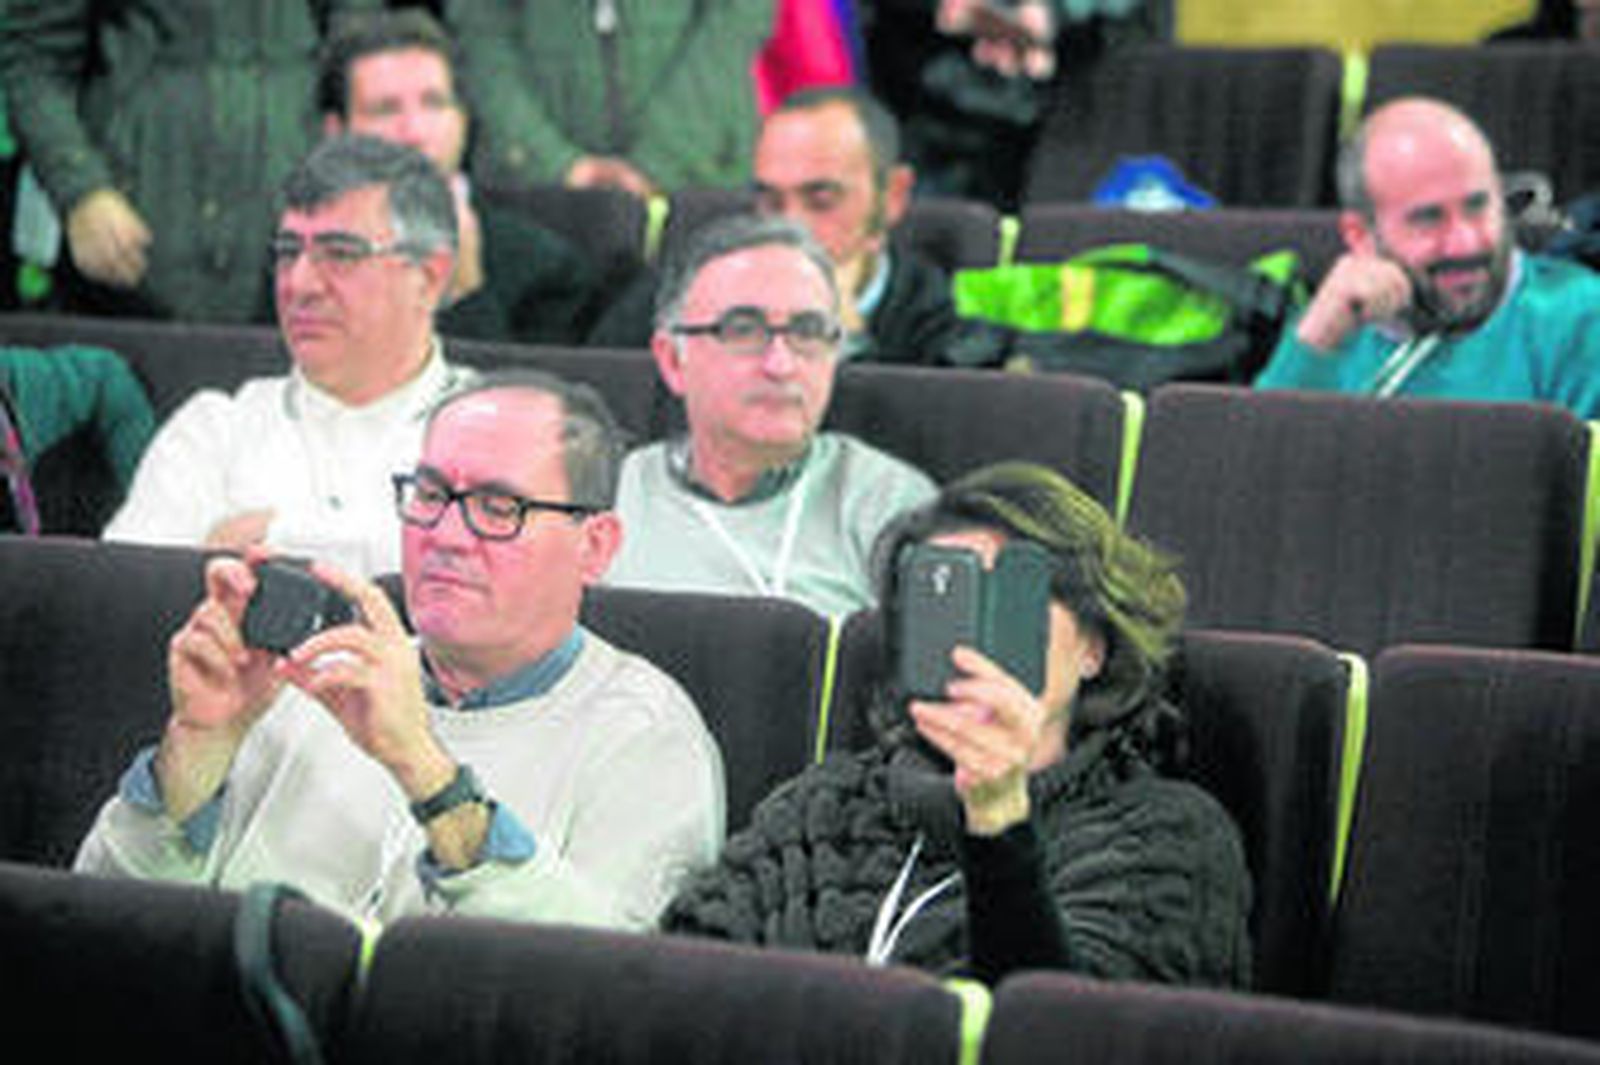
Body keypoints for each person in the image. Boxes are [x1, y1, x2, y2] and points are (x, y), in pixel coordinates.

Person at [76, 370, 726, 929]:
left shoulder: (647, 736)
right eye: (431, 494)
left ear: (596, 546)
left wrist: (423, 768)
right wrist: (197, 747)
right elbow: (102, 930)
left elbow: (603, 998)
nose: (444, 533)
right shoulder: (302, 679)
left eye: (499, 506)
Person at [662, 461, 1252, 986]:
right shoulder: (828, 803)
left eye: (1013, 598)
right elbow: (686, 975)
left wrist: (999, 821)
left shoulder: (1167, 836)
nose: (976, 636)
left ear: (1094, 647)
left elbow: (1068, 1034)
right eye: (948, 596)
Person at [102, 135, 475, 576]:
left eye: (339, 254)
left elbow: (500, 586)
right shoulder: (214, 431)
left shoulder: (499, 434)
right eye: (288, 252)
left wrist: (276, 533)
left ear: (429, 277)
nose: (299, 284)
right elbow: (123, 598)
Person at [604, 215, 938, 617]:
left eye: (808, 330)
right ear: (673, 361)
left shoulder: (889, 503)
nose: (780, 365)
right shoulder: (609, 496)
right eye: (743, 330)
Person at [0, 1, 380, 323]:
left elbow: (367, 48)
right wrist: (81, 190)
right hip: (133, 255)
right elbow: (33, 59)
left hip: (297, 249)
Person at [589, 86, 1007, 367]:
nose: (790, 225)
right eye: (770, 201)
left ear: (893, 196)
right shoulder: (681, 292)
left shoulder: (943, 325)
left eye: (821, 199)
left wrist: (846, 341)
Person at [1253, 97, 1600, 417]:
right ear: (1360, 236)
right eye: (1428, 219)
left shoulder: (1576, 318)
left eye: (1478, 206)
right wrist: (1317, 337)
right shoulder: (1333, 325)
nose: (1464, 244)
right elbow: (1251, 471)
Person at [318, 8, 600, 344]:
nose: (414, 132)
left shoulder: (547, 269)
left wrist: (463, 294)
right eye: (386, 110)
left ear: (463, 119)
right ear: (337, 132)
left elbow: (521, 392)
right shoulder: (304, 256)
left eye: (434, 103)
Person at [443, 0, 773, 197]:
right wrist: (557, 163)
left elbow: (735, 23)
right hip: (535, 190)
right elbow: (480, 37)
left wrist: (659, 161)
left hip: (703, 174)